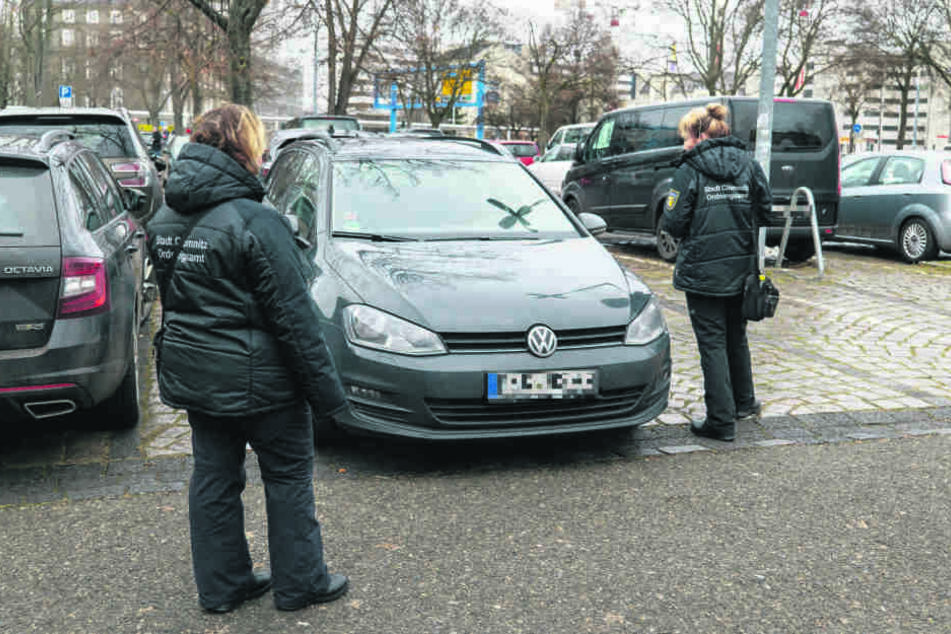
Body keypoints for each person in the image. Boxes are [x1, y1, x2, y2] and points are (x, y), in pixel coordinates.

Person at [147, 104, 350, 613]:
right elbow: (294, 318)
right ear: (246, 148)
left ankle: (223, 586)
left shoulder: (165, 218)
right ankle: (301, 583)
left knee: (214, 479)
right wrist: (328, 395)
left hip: (199, 377)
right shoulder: (257, 220)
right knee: (287, 478)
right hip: (268, 386)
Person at [661, 103, 771, 442]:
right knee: (736, 336)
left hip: (703, 272)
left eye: (685, 137)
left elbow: (673, 222)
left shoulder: (689, 169)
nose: (683, 145)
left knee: (712, 342)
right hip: (741, 269)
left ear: (698, 135)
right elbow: (766, 211)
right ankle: (744, 402)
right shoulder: (749, 165)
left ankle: (721, 421)